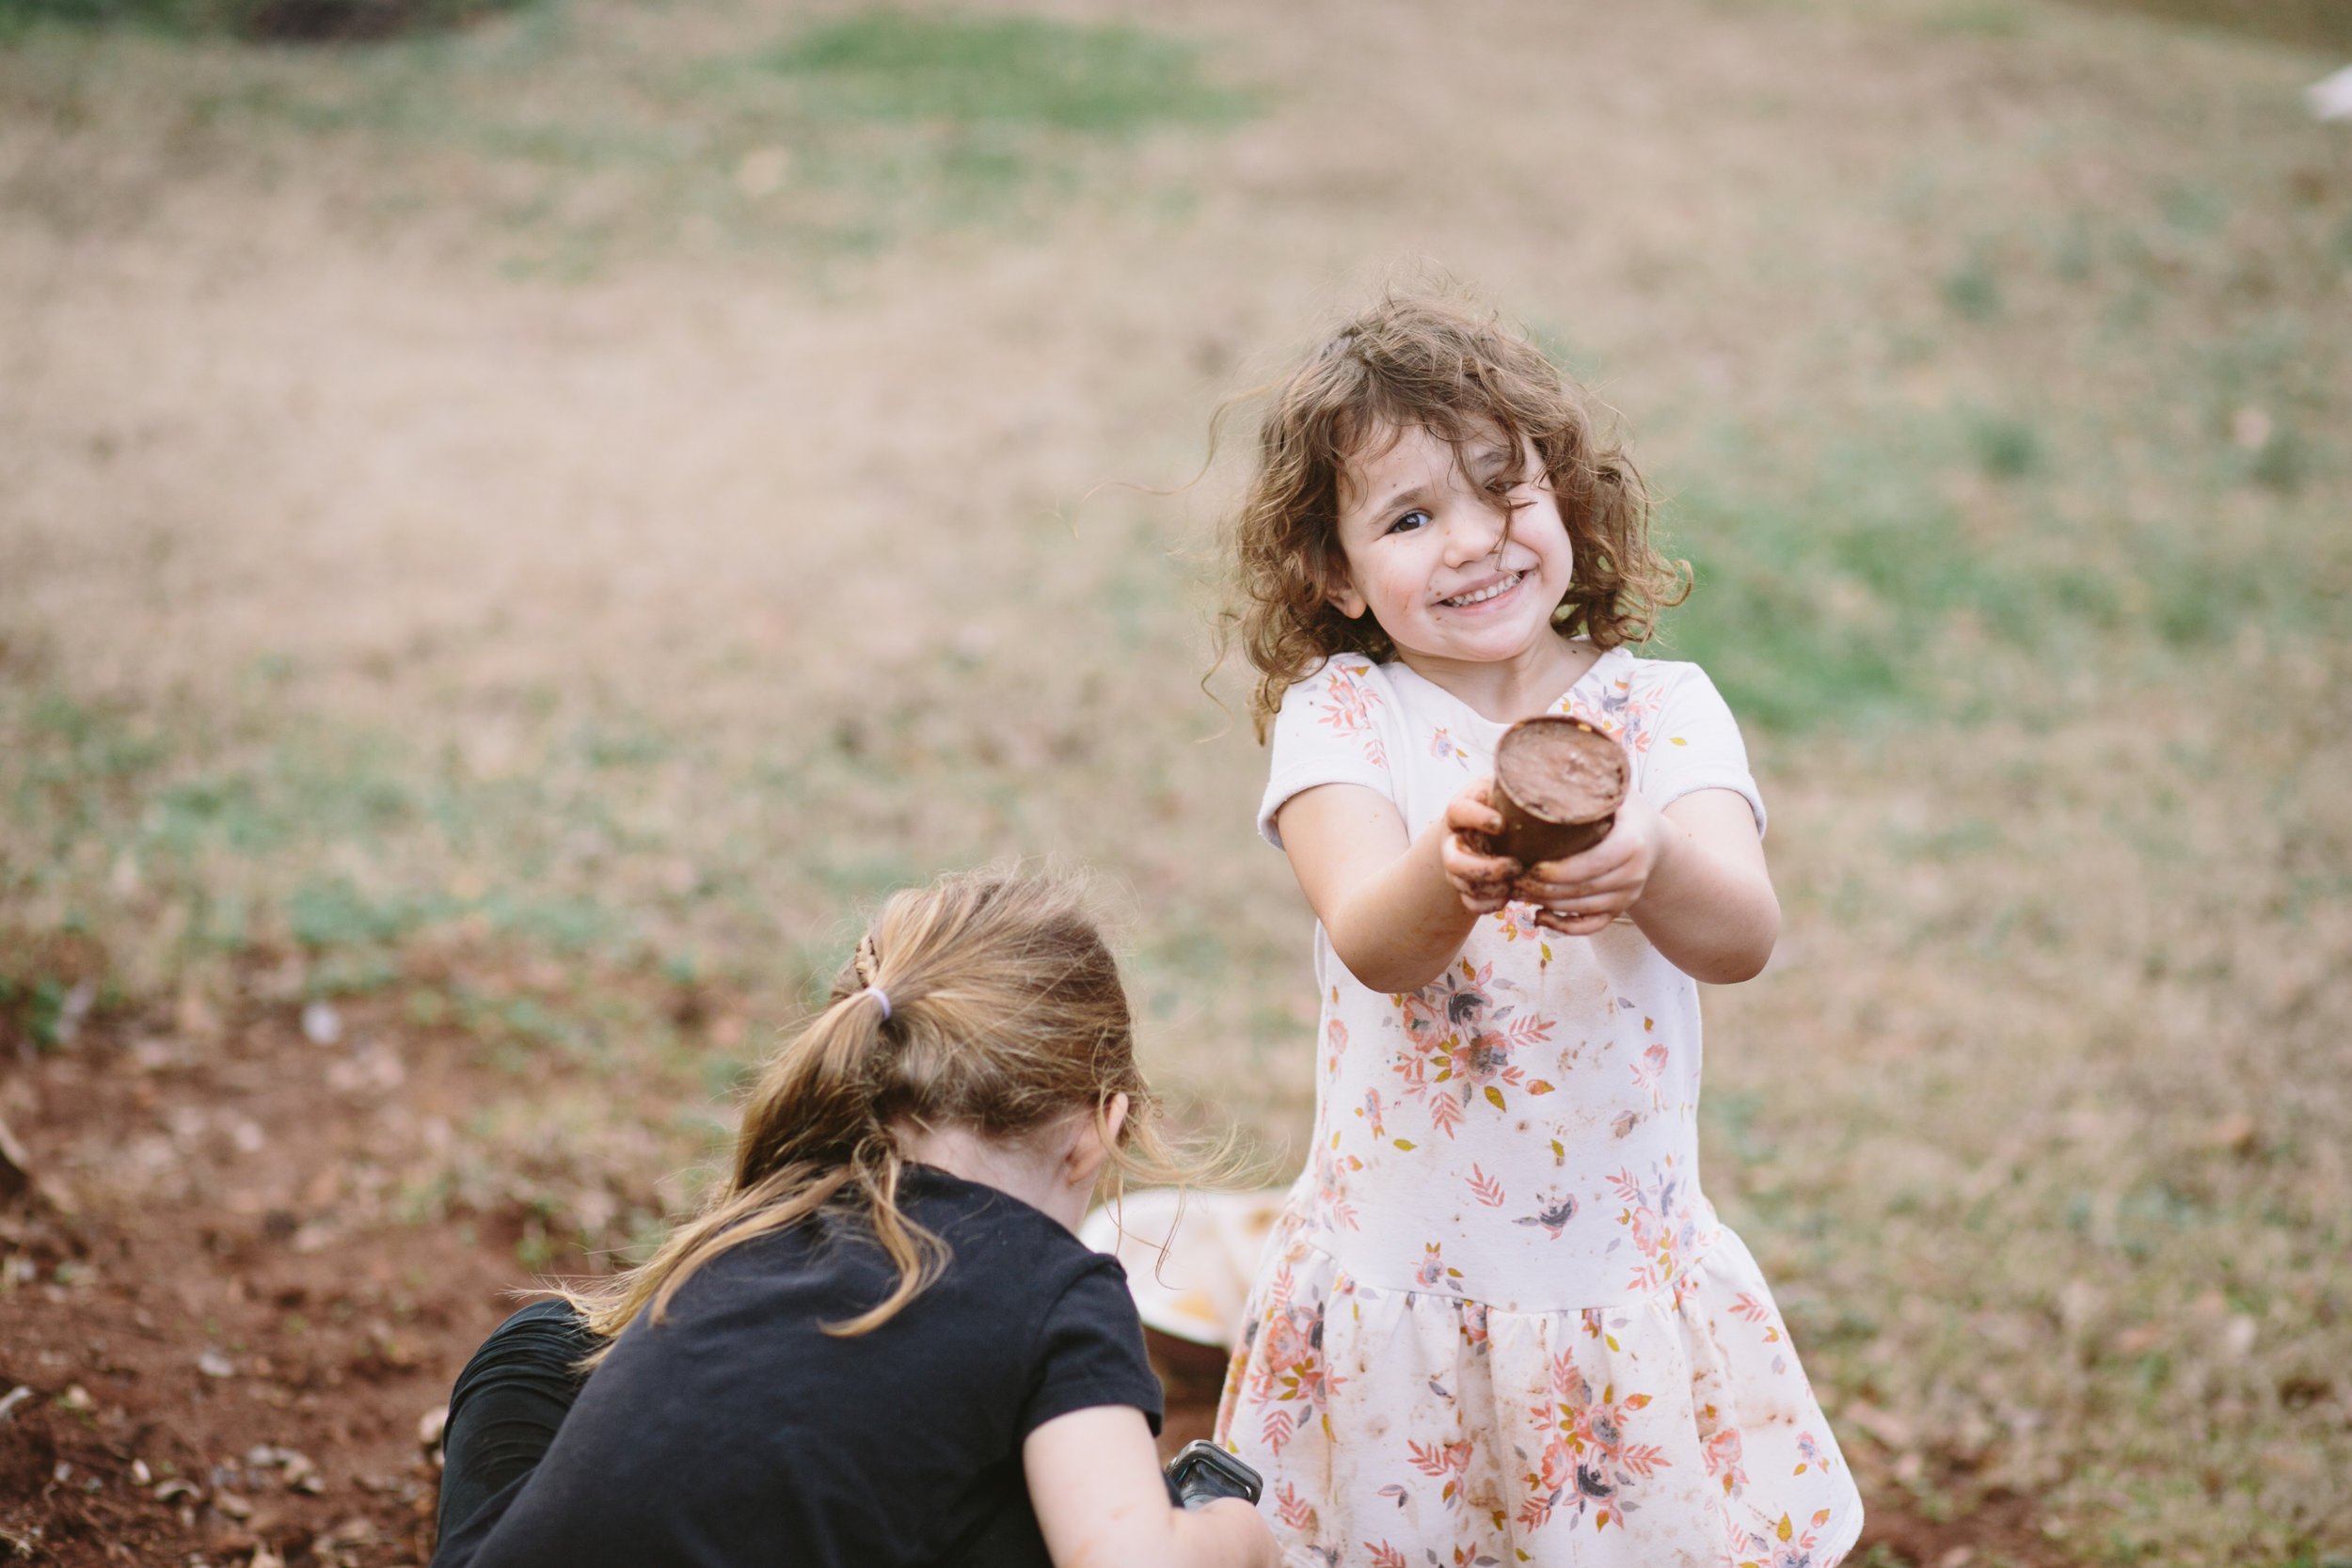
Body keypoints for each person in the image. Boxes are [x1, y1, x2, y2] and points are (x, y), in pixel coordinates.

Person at [1210, 295, 1863, 1567]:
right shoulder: (1345, 716)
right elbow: (1371, 939)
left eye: (1503, 491)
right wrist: (1451, 867)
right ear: (1335, 570)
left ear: (1564, 498)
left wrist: (1655, 855)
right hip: (1406, 1275)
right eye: (1409, 517)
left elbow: (1742, 935)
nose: (1471, 542)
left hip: (1611, 1279)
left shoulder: (1662, 712)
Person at [432, 869, 1280, 1568]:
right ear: (1102, 1130)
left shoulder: (784, 1196)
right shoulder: (1060, 1287)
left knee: (543, 1344)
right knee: (1083, 1498)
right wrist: (1230, 1535)